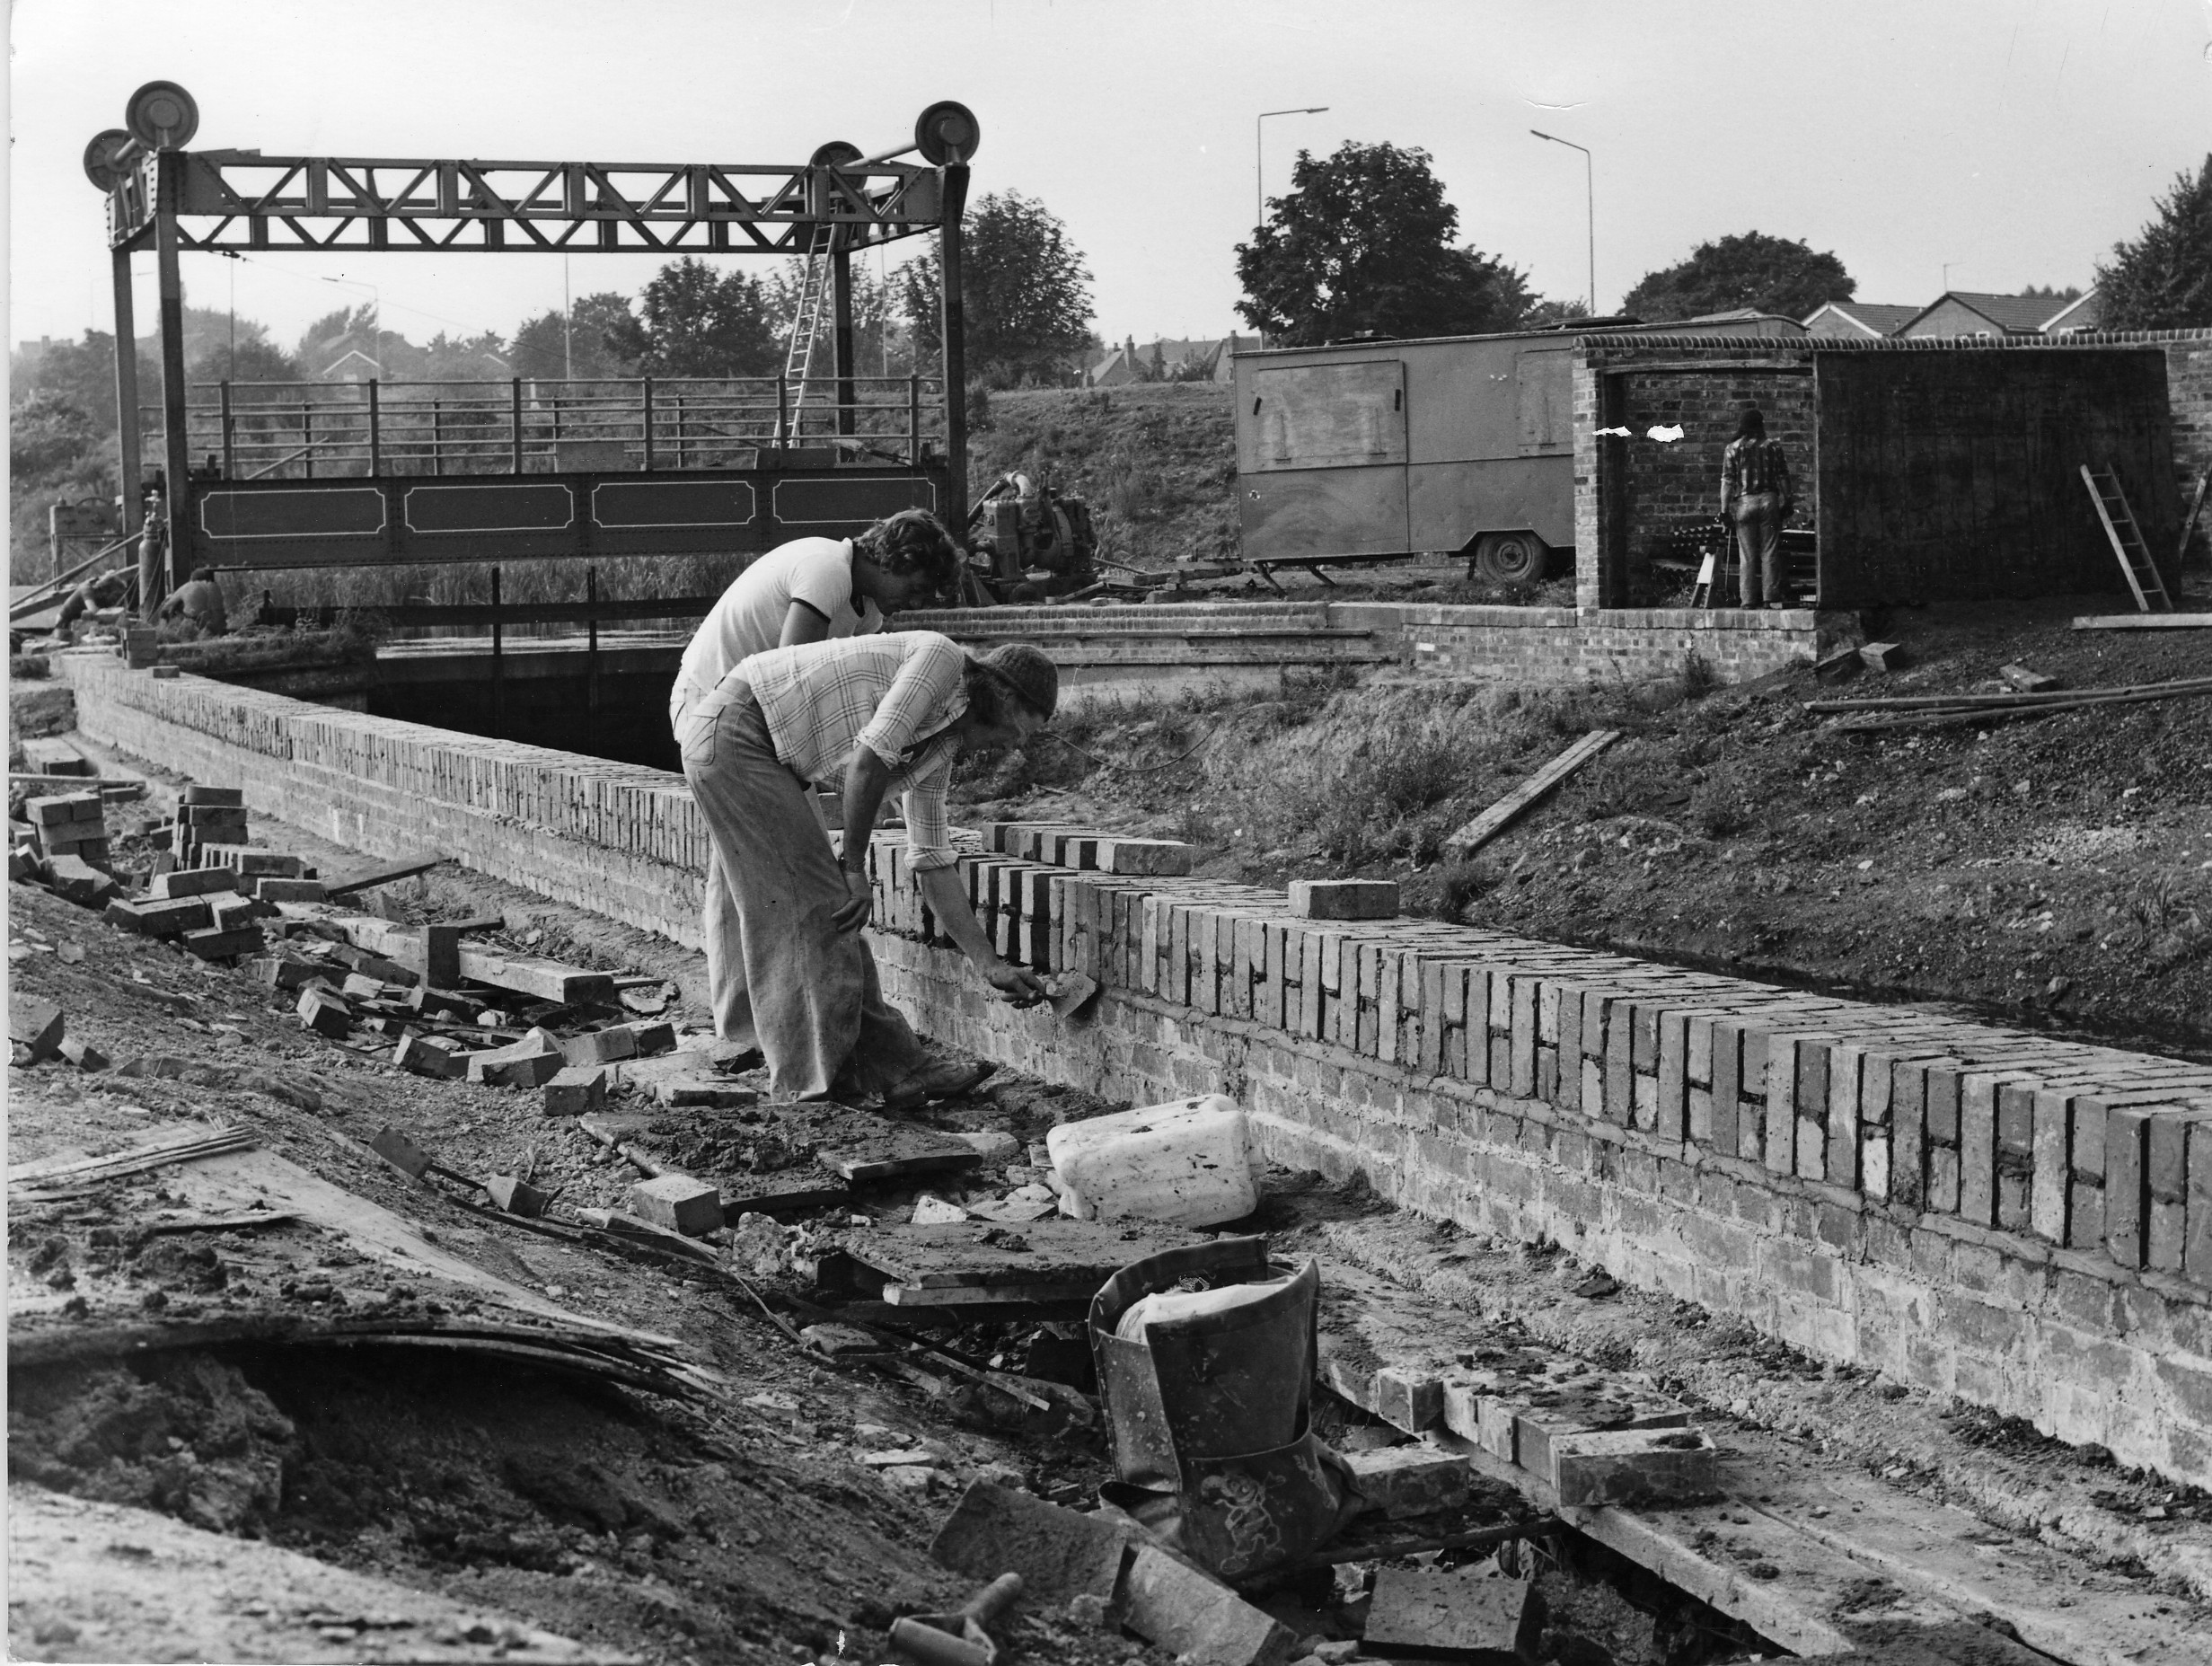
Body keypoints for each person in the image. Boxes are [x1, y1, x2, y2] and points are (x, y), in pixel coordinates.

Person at [678, 630, 1055, 1106]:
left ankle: (889, 1068)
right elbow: (868, 761)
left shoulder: (940, 748)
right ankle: (812, 1093)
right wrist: (854, 868)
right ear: (1003, 695)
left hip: (755, 747)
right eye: (1021, 727)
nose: (1015, 744)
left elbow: (933, 859)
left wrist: (989, 964)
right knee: (822, 909)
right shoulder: (940, 661)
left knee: (793, 905)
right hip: (739, 731)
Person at [669, 510, 963, 1049]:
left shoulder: (865, 610)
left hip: (752, 728)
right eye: (914, 586)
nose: (911, 602)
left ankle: (744, 1032)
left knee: (741, 879)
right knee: (803, 883)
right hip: (724, 717)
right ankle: (816, 1040)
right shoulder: (826, 568)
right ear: (894, 560)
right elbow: (786, 674)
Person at [1719, 407, 1794, 609]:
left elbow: (1727, 482)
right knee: (1769, 551)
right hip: (1769, 502)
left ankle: (1748, 600)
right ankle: (1770, 597)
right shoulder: (1773, 446)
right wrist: (1788, 500)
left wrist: (1724, 510)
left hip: (1744, 503)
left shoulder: (1732, 449)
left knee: (1747, 554)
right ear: (1760, 425)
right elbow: (1782, 476)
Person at [153, 566, 228, 641]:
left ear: (192, 579)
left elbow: (166, 608)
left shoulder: (188, 586)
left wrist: (163, 629)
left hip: (195, 623)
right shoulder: (215, 586)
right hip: (218, 623)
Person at [53, 567, 134, 633]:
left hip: (78, 622)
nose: (115, 599)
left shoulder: (102, 597)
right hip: (64, 624)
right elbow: (93, 611)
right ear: (106, 591)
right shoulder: (86, 589)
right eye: (114, 595)